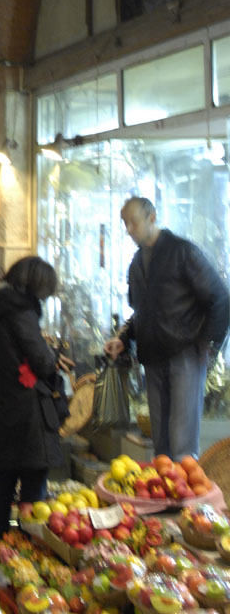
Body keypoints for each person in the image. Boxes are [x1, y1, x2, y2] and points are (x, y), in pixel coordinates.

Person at [105, 196, 230, 460]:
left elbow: (220, 298)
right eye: (125, 223)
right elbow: (142, 312)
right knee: (161, 446)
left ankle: (184, 501)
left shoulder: (183, 252)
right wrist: (124, 338)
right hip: (153, 359)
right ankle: (164, 502)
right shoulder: (137, 262)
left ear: (152, 218)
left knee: (183, 446)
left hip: (185, 355)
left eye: (133, 222)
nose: (128, 229)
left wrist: (209, 348)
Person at [0, 255, 69, 536]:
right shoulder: (20, 312)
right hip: (28, 409)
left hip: (2, 403)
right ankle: (30, 547)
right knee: (33, 485)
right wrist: (53, 357)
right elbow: (41, 360)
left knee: (4, 480)